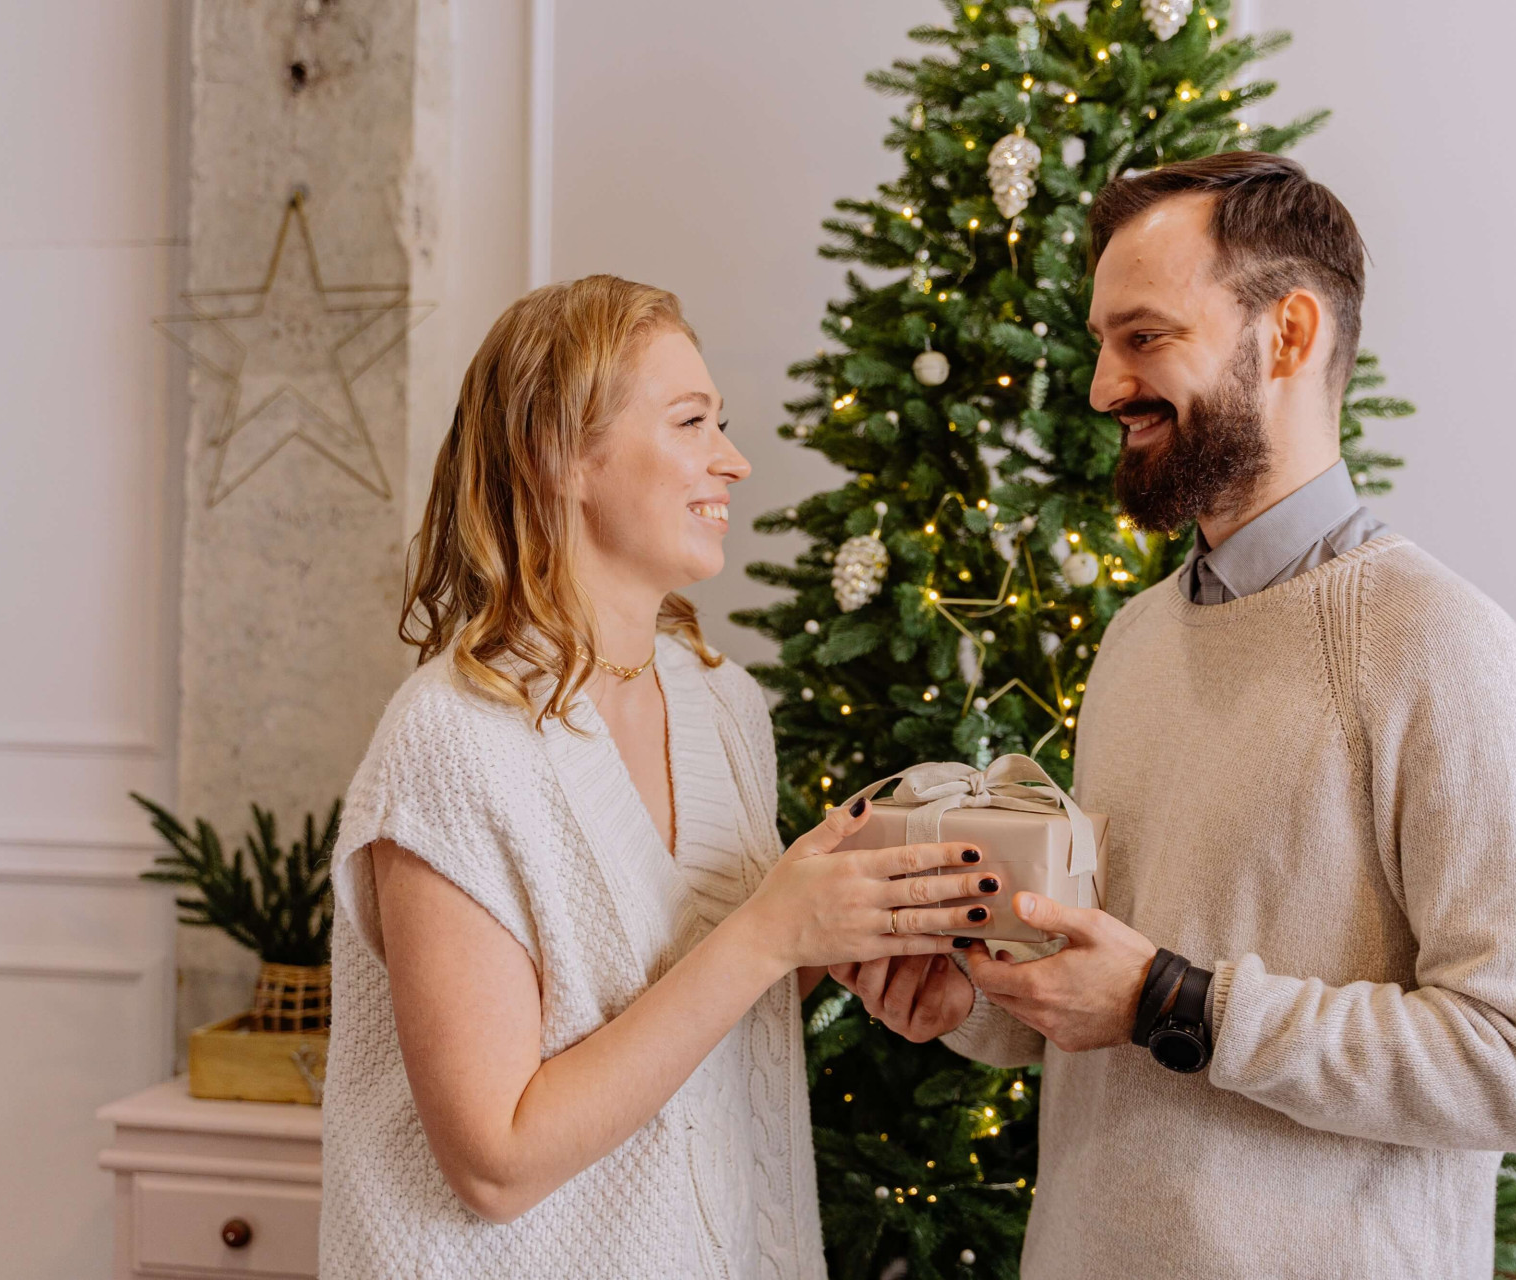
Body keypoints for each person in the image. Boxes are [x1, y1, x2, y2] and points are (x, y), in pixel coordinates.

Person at [830, 152, 1516, 1278]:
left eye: (1143, 337)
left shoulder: (1441, 647)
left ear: (1287, 335)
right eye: (1102, 340)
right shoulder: (1140, 638)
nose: (1101, 385)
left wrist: (1170, 999)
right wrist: (977, 1000)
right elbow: (1112, 982)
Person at [319, 276, 1004, 1279]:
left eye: (720, 423)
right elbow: (496, 1160)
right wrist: (773, 929)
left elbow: (702, 988)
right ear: (557, 454)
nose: (734, 458)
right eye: (691, 422)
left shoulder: (723, 702)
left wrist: (847, 928)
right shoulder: (452, 739)